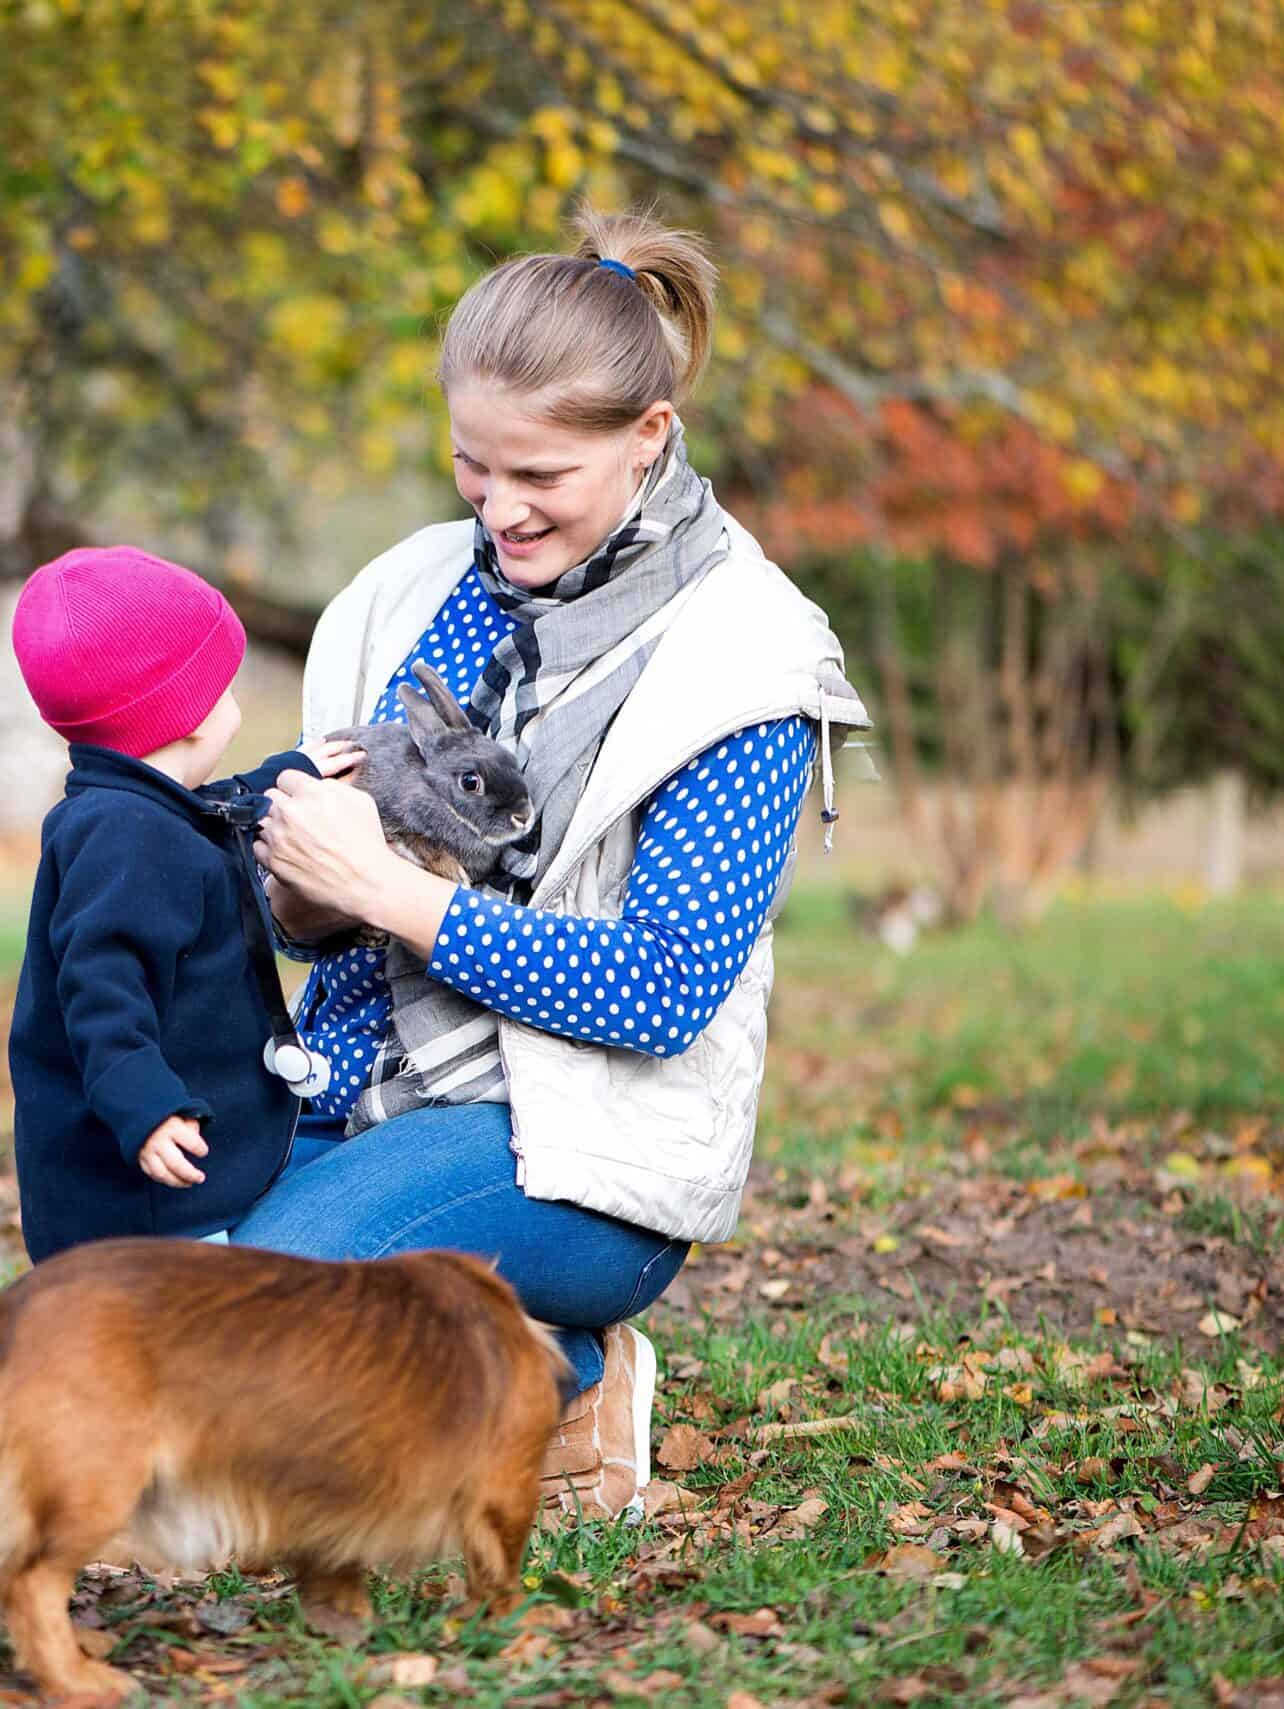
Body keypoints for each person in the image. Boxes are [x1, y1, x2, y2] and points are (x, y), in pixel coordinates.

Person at [243, 207, 871, 1521]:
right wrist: (306, 888)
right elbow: (315, 919)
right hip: (357, 1082)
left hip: (581, 1147)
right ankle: (539, 1374)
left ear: (647, 440)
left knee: (260, 1321)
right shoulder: (407, 594)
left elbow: (660, 990)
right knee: (161, 1281)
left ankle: (569, 1359)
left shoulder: (744, 658)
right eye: (476, 465)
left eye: (541, 476)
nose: (500, 508)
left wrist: (399, 899)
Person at [6, 546, 359, 1263]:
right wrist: (146, 1107)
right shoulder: (124, 841)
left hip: (174, 1168)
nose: (235, 701)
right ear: (188, 712)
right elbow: (100, 989)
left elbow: (209, 810)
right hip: (143, 1194)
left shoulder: (131, 810)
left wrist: (286, 775)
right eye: (224, 686)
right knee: (183, 1329)